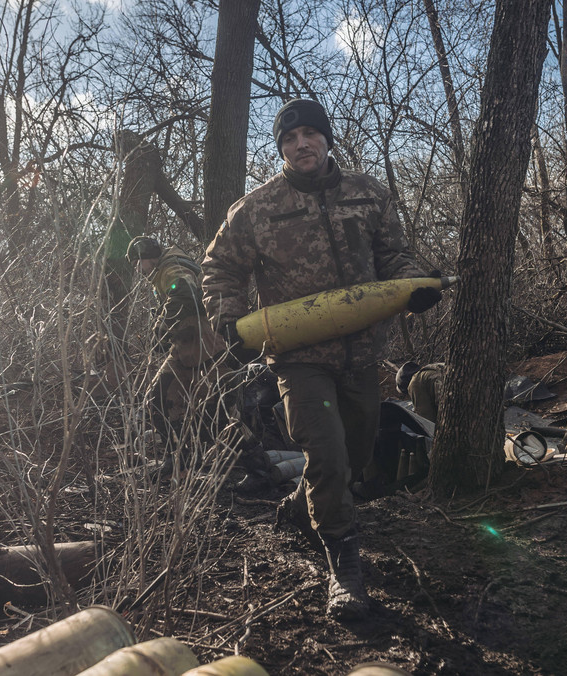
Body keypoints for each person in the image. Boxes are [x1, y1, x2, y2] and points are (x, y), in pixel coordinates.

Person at [202, 98, 441, 619]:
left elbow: (394, 256)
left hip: (363, 353)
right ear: (281, 148)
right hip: (297, 359)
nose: (300, 144)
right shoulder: (256, 209)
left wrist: (413, 284)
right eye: (289, 138)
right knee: (328, 456)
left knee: (353, 458)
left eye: (309, 134)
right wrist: (231, 321)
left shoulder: (369, 194)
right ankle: (344, 568)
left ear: (327, 139)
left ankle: (298, 512)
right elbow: (220, 270)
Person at [126, 235, 228, 478]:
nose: (137, 270)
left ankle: (257, 466)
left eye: (137, 263)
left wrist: (162, 326)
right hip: (183, 347)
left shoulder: (173, 267)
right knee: (158, 399)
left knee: (225, 408)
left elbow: (185, 292)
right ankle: (179, 460)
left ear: (146, 258)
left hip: (205, 347)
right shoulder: (165, 271)